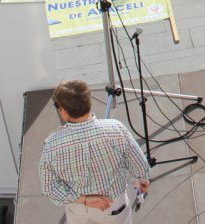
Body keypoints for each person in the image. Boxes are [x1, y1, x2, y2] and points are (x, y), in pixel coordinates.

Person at [38, 79, 150, 223]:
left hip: (78, 210)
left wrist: (85, 200)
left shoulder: (51, 145)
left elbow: (49, 189)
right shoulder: (116, 129)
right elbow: (141, 167)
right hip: (114, 206)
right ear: (89, 103)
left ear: (64, 111)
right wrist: (143, 179)